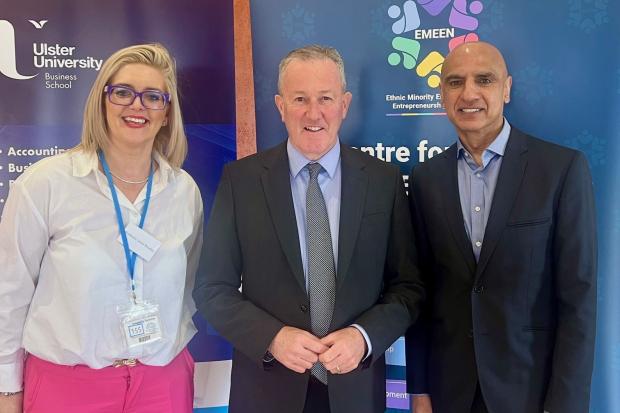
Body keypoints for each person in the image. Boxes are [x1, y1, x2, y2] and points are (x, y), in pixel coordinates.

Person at [193, 44, 424, 413]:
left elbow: (407, 288)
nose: (313, 113)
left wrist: (364, 337)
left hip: (356, 390)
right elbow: (212, 289)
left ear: (344, 105)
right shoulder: (242, 181)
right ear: (281, 106)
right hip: (268, 388)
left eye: (326, 98)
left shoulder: (383, 181)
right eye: (299, 98)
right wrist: (272, 338)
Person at [0, 43, 203, 413]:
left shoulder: (183, 191)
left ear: (166, 112)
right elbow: (9, 293)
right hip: (68, 386)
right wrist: (7, 390)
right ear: (101, 100)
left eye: (153, 96)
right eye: (123, 92)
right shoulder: (47, 183)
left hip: (162, 384)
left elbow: (189, 284)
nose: (137, 106)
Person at [405, 41, 597, 413]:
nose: (469, 93)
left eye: (484, 79)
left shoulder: (560, 170)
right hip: (450, 393)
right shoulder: (426, 178)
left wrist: (566, 405)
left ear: (506, 88)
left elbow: (579, 302)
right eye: (455, 82)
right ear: (442, 94)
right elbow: (422, 294)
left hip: (532, 393)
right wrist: (419, 389)